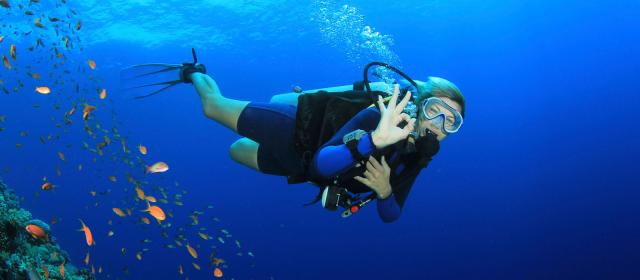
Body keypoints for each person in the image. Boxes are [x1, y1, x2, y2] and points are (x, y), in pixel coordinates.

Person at [179, 61, 465, 223]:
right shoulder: (381, 113)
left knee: (235, 150)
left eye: (451, 122)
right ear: (418, 107)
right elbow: (321, 163)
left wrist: (385, 191)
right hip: (299, 130)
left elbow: (391, 215)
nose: (439, 125)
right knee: (213, 108)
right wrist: (374, 140)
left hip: (298, 163)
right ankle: (194, 72)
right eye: (434, 111)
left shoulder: (416, 157)